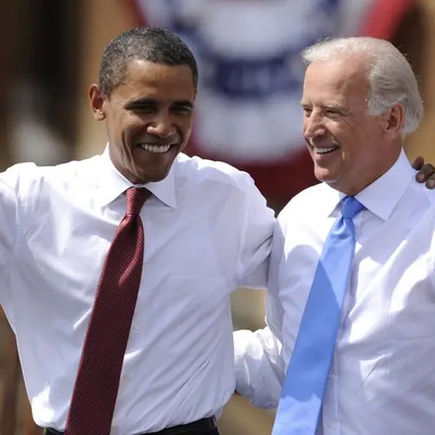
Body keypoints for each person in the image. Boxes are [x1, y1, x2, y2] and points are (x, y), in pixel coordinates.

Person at [0, 26, 275, 434]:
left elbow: (311, 262)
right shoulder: (25, 203)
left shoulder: (226, 197)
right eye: (145, 107)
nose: (164, 127)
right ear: (99, 102)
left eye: (180, 109)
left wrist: (400, 191)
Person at [234, 36, 435, 434]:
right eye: (307, 110)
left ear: (391, 120)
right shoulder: (298, 218)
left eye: (333, 112)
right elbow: (284, 358)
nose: (310, 129)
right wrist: (185, 349)